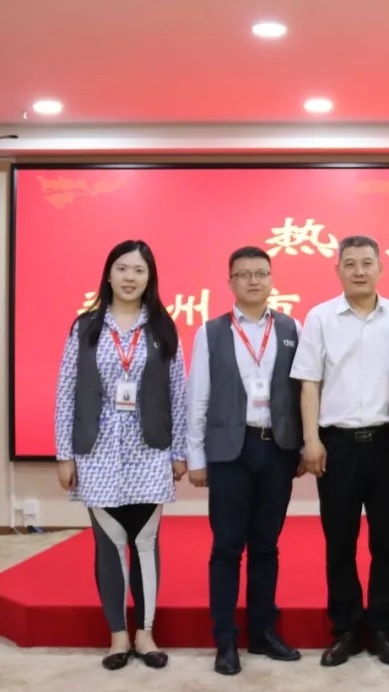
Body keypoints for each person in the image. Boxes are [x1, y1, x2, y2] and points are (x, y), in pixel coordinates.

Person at [53, 239, 188, 671]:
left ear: (150, 278)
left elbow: (178, 394)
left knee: (145, 542)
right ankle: (117, 635)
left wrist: (179, 451)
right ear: (109, 274)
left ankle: (145, 633)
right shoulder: (86, 327)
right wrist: (64, 454)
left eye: (139, 270)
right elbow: (66, 392)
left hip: (149, 452)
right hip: (97, 454)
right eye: (123, 268)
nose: (130, 277)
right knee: (109, 544)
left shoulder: (163, 328)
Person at [289, 235, 389, 666]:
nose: (359, 271)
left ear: (380, 268)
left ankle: (382, 629)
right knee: (339, 541)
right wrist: (311, 439)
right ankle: (345, 629)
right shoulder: (320, 317)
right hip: (336, 444)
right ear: (338, 269)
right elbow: (309, 383)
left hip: (385, 444)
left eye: (367, 263)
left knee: (387, 542)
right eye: (350, 264)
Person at [185, 246, 304, 675]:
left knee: (266, 545)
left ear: (272, 280)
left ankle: (263, 632)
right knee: (227, 547)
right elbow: (197, 397)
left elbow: (301, 392)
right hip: (229, 453)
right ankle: (225, 640)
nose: (253, 281)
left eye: (261, 273)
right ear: (230, 282)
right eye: (244, 274)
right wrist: (195, 456)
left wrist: (303, 446)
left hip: (277, 449)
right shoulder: (211, 332)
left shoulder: (291, 328)